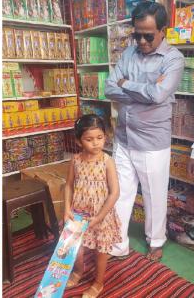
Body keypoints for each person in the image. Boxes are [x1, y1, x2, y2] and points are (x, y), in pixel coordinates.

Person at [105, 1, 185, 262]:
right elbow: (109, 88)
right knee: (120, 192)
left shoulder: (173, 59)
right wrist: (144, 91)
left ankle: (156, 240)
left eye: (147, 35)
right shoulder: (129, 53)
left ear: (163, 30)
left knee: (154, 194)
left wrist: (126, 84)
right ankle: (118, 244)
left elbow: (159, 94)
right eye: (136, 33)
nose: (141, 40)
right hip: (124, 136)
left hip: (152, 141)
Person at [64, 114, 121, 298]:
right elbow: (69, 185)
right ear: (79, 141)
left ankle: (98, 283)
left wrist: (99, 217)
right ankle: (78, 271)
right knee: (76, 248)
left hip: (101, 215)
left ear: (105, 136)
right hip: (79, 213)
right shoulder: (76, 160)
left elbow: (115, 192)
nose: (96, 143)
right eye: (89, 139)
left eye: (100, 138)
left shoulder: (107, 161)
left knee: (100, 250)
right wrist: (66, 209)